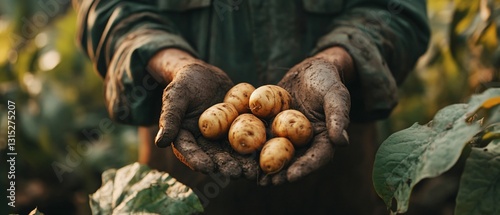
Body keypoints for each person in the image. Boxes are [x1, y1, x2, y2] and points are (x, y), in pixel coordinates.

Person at [74, 0, 430, 214]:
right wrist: (174, 65)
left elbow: (396, 9)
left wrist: (336, 60)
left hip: (335, 176)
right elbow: (108, 8)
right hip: (184, 185)